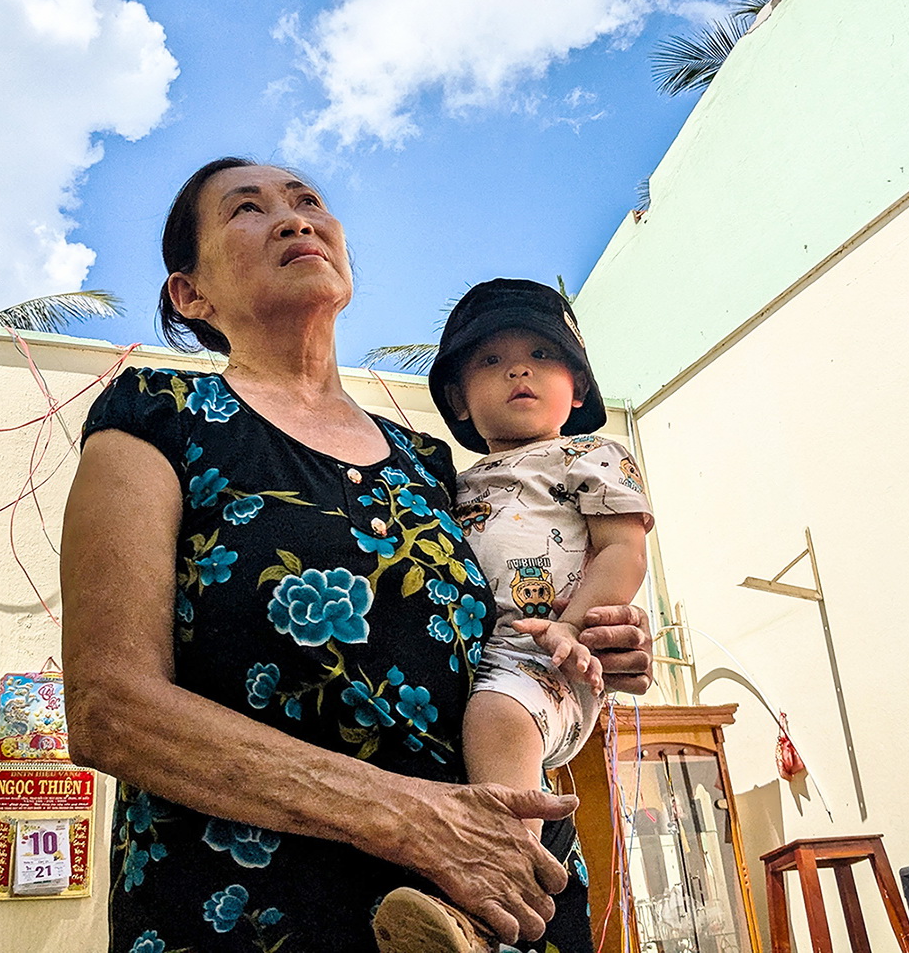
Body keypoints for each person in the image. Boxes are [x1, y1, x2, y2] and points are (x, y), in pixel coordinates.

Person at [59, 158, 655, 953]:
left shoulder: (430, 464)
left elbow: (507, 625)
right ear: (190, 294)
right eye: (247, 208)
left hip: (502, 899)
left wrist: (601, 638)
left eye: (309, 201)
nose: (295, 218)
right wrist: (412, 818)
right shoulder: (157, 414)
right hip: (253, 916)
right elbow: (110, 707)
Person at [373, 280, 651, 953]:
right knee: (478, 726)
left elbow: (624, 550)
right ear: (459, 402)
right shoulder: (450, 484)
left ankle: (496, 904)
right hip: (480, 659)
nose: (517, 369)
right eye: (489, 361)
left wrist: (573, 623)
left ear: (578, 388)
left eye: (538, 353)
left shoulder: (592, 454)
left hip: (547, 652)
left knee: (496, 718)